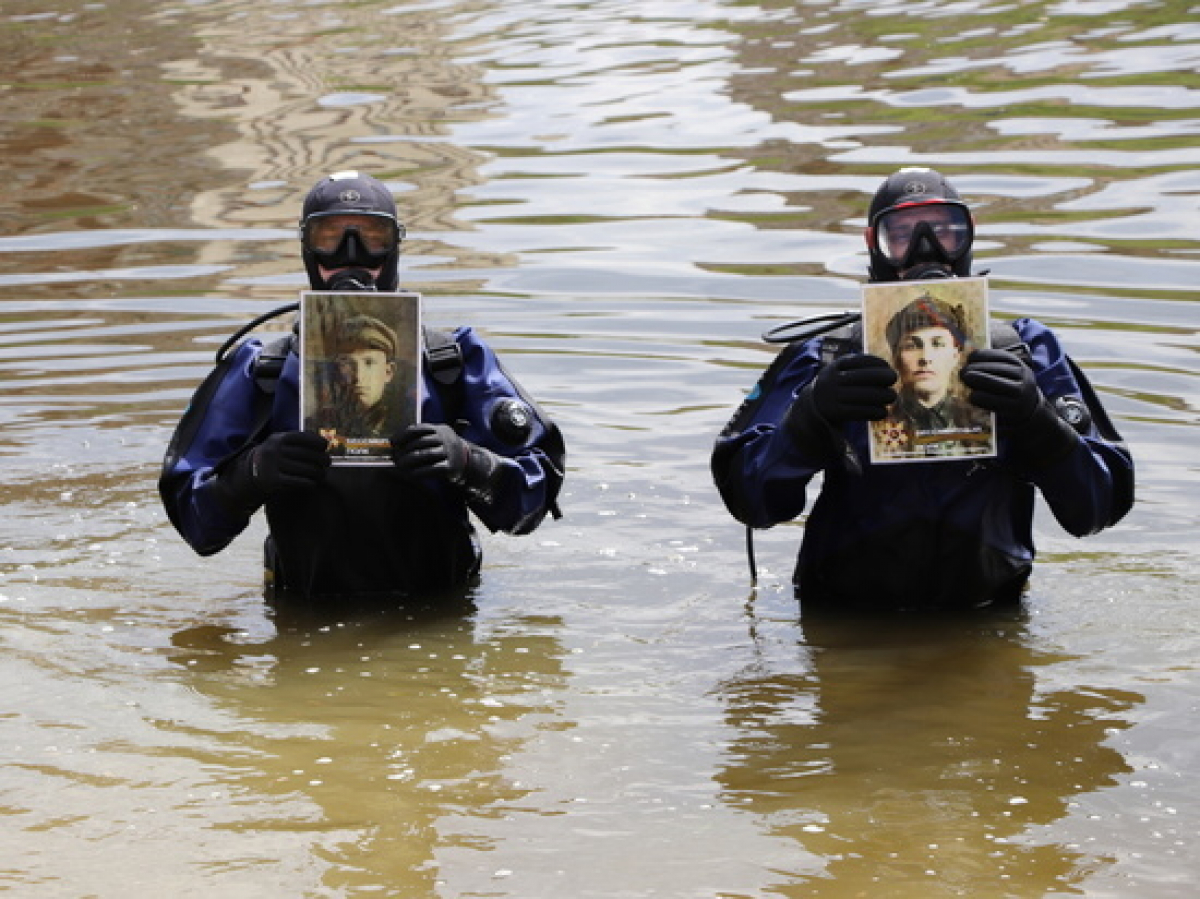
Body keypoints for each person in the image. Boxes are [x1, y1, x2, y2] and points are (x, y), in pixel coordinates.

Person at [711, 167, 1134, 611]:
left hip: (989, 619)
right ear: (873, 243)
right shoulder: (828, 357)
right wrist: (810, 419)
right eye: (902, 235)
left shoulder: (1026, 352)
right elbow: (750, 502)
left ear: (969, 237)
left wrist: (1038, 422)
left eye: (946, 233)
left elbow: (1097, 510)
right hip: (847, 620)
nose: (925, 251)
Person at [160, 171, 566, 604]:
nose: (350, 256)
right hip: (303, 612)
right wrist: (251, 475)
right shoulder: (262, 372)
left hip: (441, 615)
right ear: (306, 248)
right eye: (330, 237)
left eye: (371, 237)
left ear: (394, 246)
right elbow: (196, 526)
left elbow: (531, 507)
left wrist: (469, 463)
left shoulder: (455, 364)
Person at [872, 293, 992, 459]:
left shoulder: (981, 420)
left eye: (938, 344)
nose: (925, 358)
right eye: (911, 346)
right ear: (896, 357)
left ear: (955, 355)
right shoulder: (873, 426)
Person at [307, 314, 402, 441]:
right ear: (336, 370)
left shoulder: (404, 424)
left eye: (369, 363)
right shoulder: (316, 424)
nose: (358, 376)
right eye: (347, 363)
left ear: (388, 372)